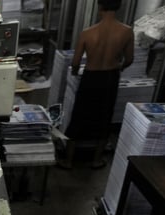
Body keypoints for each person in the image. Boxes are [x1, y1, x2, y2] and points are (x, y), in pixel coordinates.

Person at [59, 0, 134, 169]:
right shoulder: (127, 31)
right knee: (104, 116)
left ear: (99, 7)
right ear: (118, 7)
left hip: (90, 77)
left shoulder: (87, 33)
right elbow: (129, 59)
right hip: (110, 77)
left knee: (79, 116)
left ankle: (68, 161)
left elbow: (76, 61)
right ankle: (96, 160)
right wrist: (119, 66)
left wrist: (75, 72)